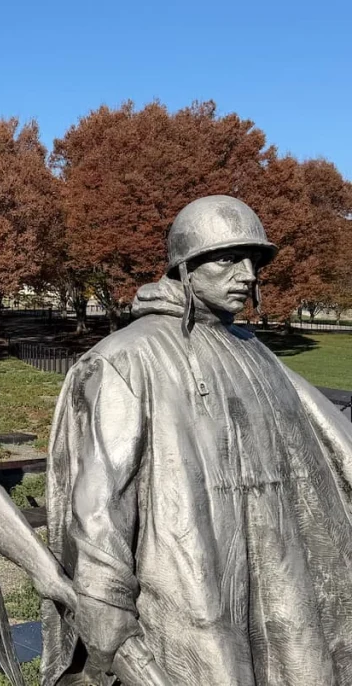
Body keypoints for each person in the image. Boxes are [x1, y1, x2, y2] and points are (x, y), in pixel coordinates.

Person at [42, 195, 352, 685]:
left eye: (254, 261)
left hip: (279, 577)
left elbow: (329, 446)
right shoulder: (126, 359)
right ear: (186, 267)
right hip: (189, 584)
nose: (248, 275)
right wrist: (105, 613)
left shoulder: (256, 353)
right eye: (228, 259)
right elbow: (100, 504)